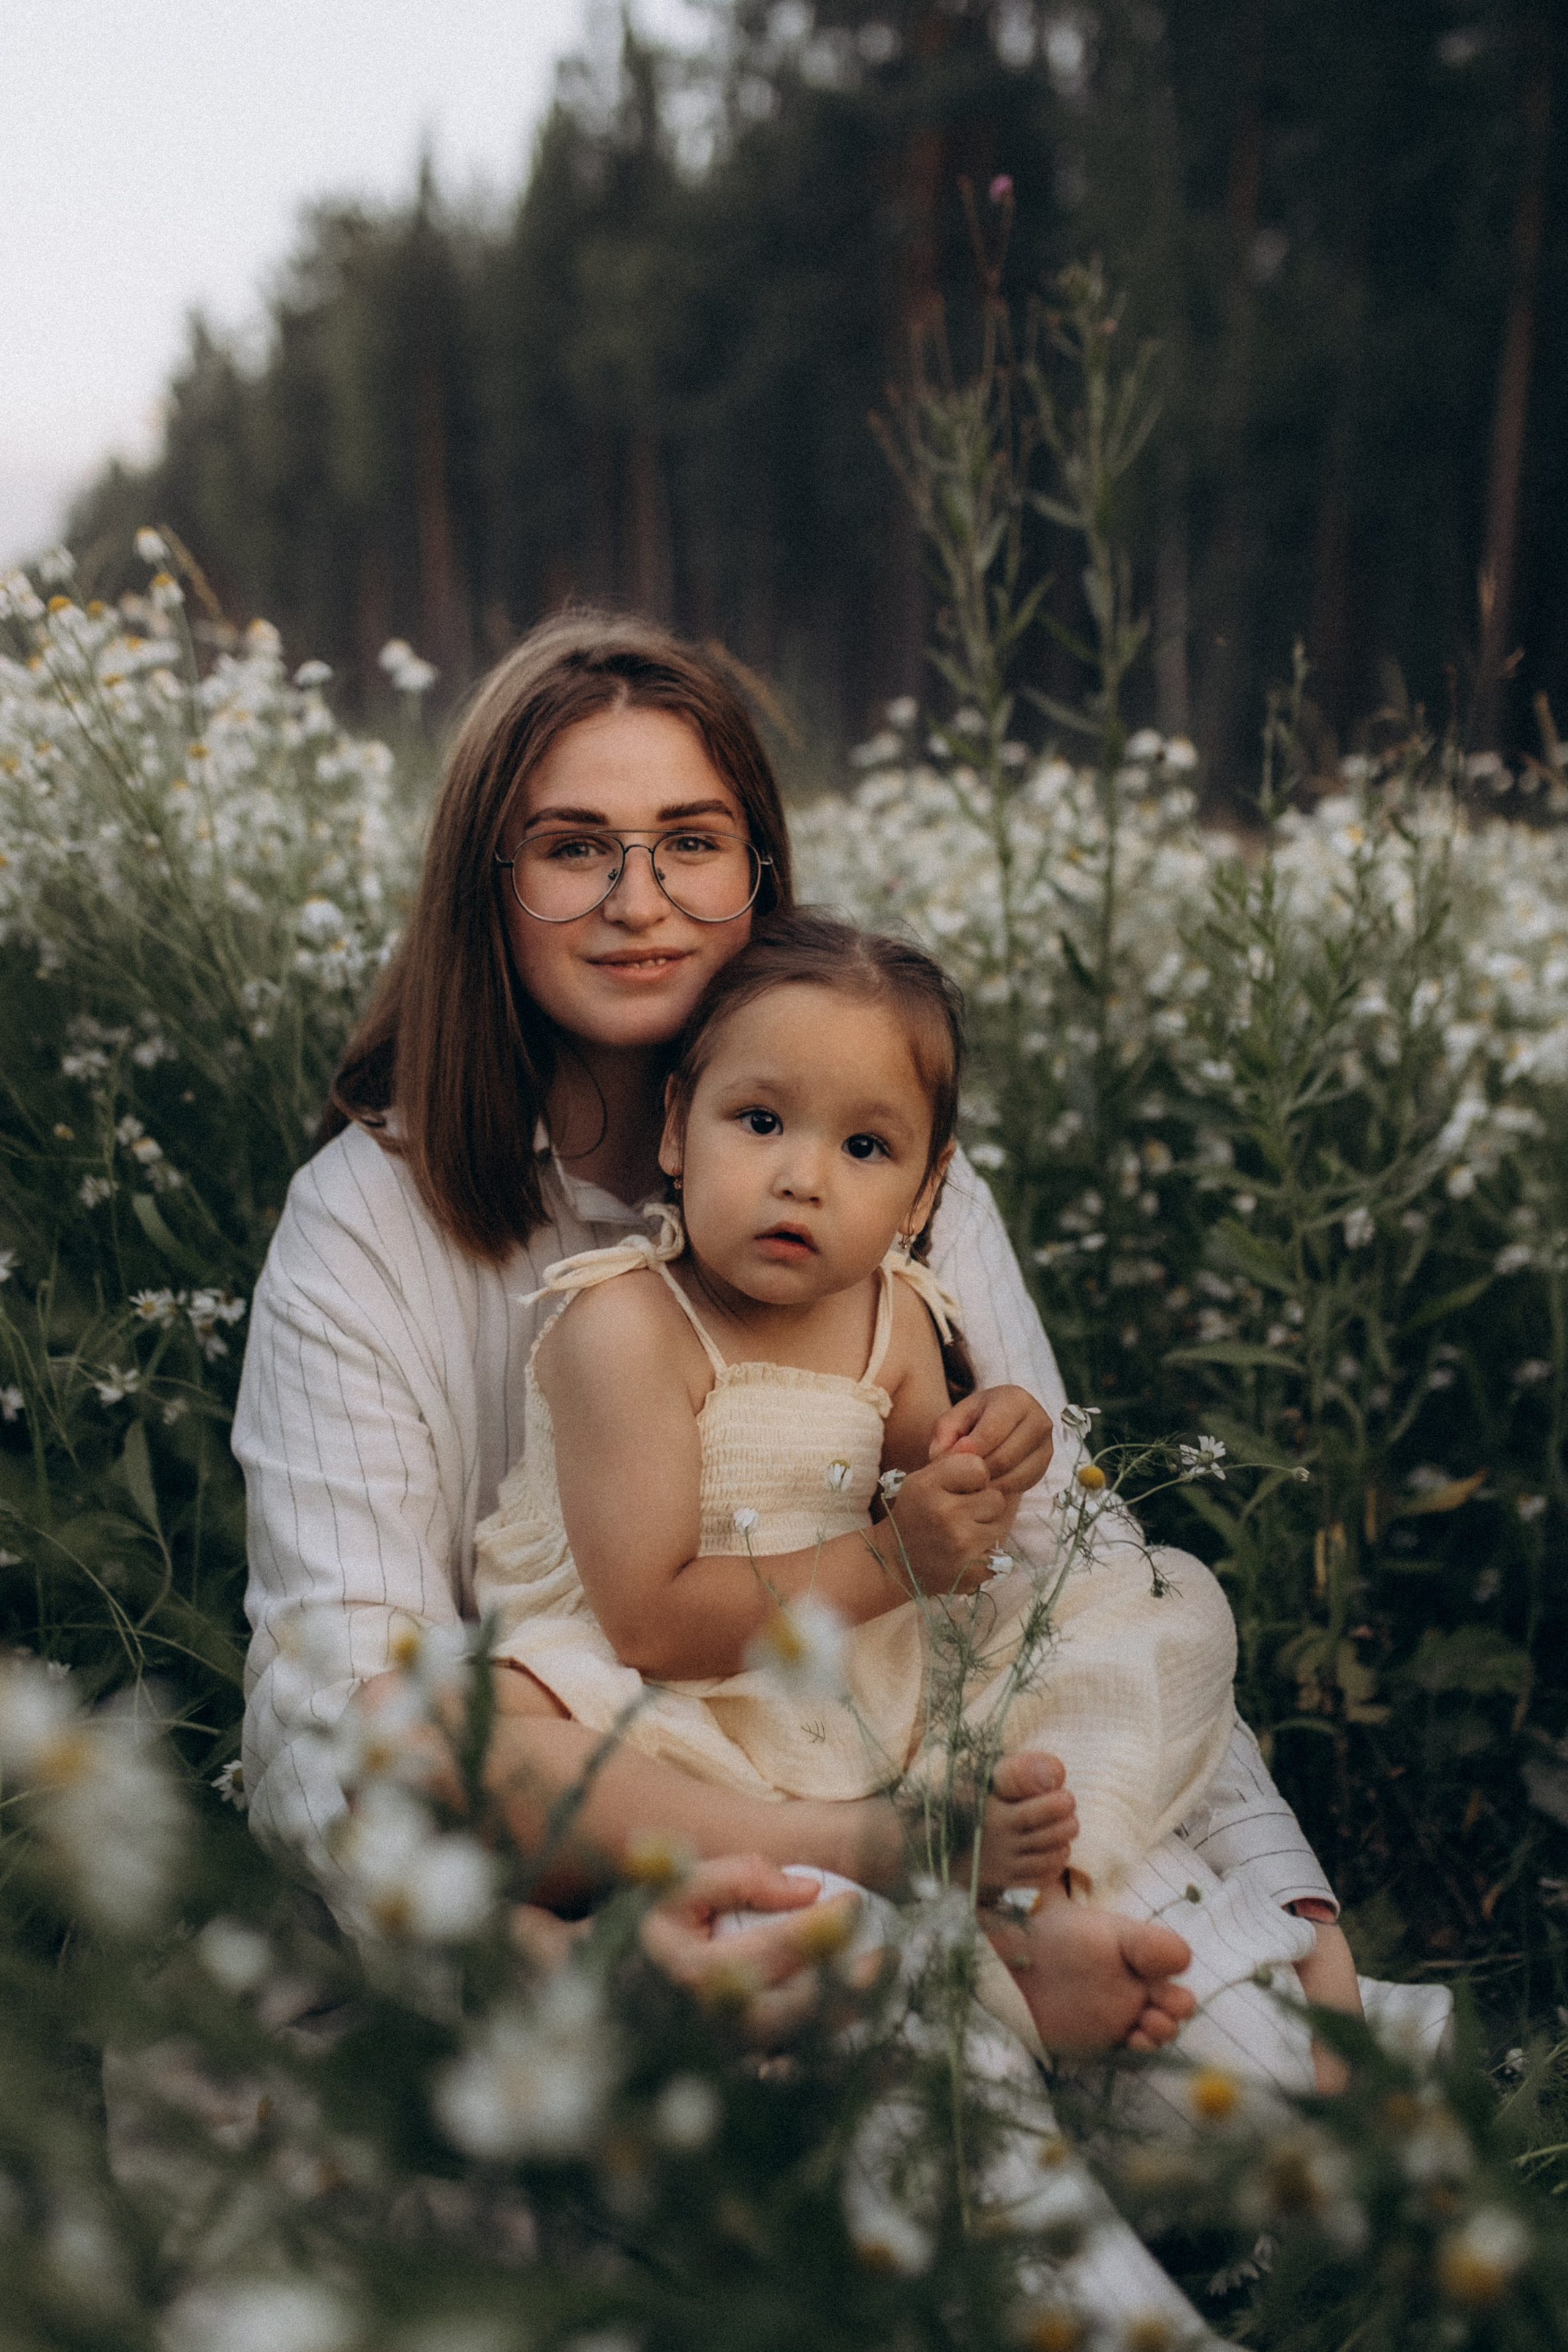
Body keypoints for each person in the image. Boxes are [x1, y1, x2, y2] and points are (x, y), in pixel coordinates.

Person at [233, 605, 1351, 2074]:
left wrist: (1296, 1905)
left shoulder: (898, 1191)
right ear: (486, 889)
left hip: (903, 1735)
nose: (637, 900)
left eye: (689, 843)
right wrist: (550, 1959)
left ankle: (1027, 1930)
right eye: (572, 849)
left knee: (1281, 2074)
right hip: (614, 1821)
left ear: (757, 874)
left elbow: (1069, 1577)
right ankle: (894, 1893)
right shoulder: (368, 1219)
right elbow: (335, 1710)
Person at [470, 908, 1259, 2056]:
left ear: (925, 1193)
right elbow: (648, 1618)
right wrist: (897, 1557)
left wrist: (996, 1446)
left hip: (856, 1688)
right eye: (760, 1121)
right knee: (472, 1739)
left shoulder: (891, 1315)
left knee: (1168, 1598)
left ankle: (1040, 1897)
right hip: (672, 1719)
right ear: (677, 1131)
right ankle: (906, 1889)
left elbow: (956, 1518)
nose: (802, 1179)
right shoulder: (629, 1328)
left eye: (865, 1149)